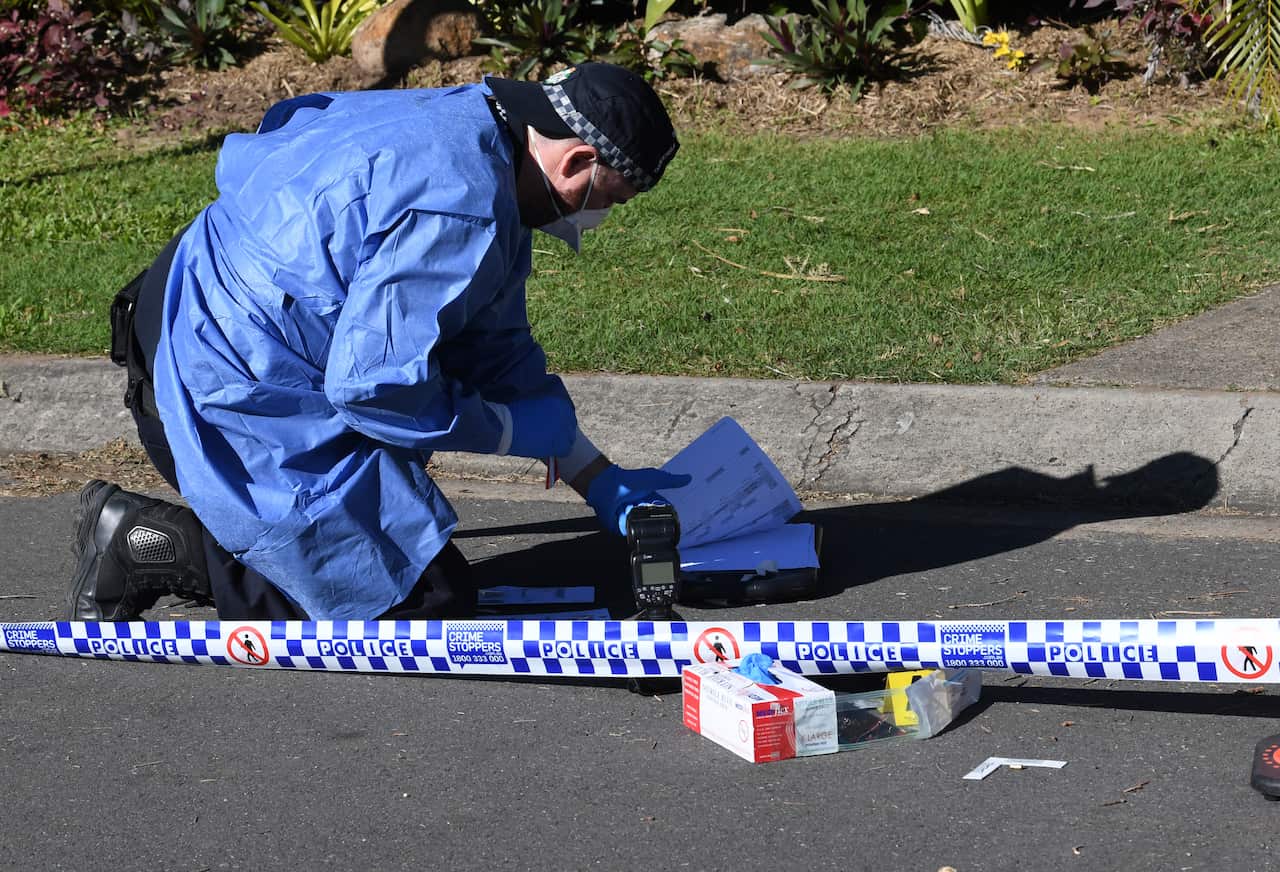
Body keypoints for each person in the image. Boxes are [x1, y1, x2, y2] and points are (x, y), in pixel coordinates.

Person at [67, 62, 692, 623]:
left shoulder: (475, 128)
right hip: (210, 381)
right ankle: (147, 542)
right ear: (578, 161)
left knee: (400, 526)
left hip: (198, 310)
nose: (598, 219)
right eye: (608, 200)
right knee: (421, 601)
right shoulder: (459, 206)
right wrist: (505, 432)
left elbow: (489, 344)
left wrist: (595, 473)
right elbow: (377, 391)